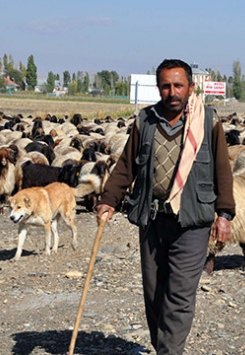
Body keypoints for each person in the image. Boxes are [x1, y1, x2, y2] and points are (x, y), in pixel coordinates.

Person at [95, 58, 235, 354]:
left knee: (179, 295)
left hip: (192, 221)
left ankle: (170, 351)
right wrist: (109, 200)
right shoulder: (145, 120)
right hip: (152, 218)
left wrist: (224, 214)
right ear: (159, 88)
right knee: (154, 294)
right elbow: (126, 165)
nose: (172, 92)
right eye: (166, 86)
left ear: (190, 87)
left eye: (178, 85)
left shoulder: (208, 121)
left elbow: (222, 169)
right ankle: (163, 347)